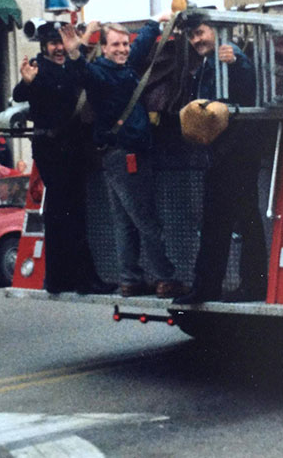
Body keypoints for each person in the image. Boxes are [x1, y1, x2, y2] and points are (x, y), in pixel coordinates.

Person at [60, 16, 186, 299]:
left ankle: (130, 278)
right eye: (115, 44)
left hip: (115, 156)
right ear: (103, 48)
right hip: (128, 156)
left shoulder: (124, 68)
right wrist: (73, 53)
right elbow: (82, 73)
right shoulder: (100, 74)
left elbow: (140, 48)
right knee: (146, 220)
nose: (122, 49)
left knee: (125, 221)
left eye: (124, 44)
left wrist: (154, 23)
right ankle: (165, 278)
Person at [12, 21, 115, 295]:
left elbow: (84, 79)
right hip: (53, 150)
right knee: (67, 217)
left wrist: (75, 51)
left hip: (71, 148)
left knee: (63, 217)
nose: (59, 48)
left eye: (61, 42)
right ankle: (81, 280)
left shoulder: (69, 65)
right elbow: (19, 93)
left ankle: (59, 279)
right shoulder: (38, 68)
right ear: (43, 46)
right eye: (53, 43)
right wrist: (26, 81)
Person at [174, 20, 268, 305]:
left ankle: (212, 288)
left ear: (216, 31)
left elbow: (245, 90)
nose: (196, 40)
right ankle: (249, 285)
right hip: (226, 152)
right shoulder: (207, 64)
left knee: (223, 222)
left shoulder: (231, 59)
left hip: (233, 153)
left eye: (200, 32)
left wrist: (236, 62)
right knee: (241, 220)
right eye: (192, 36)